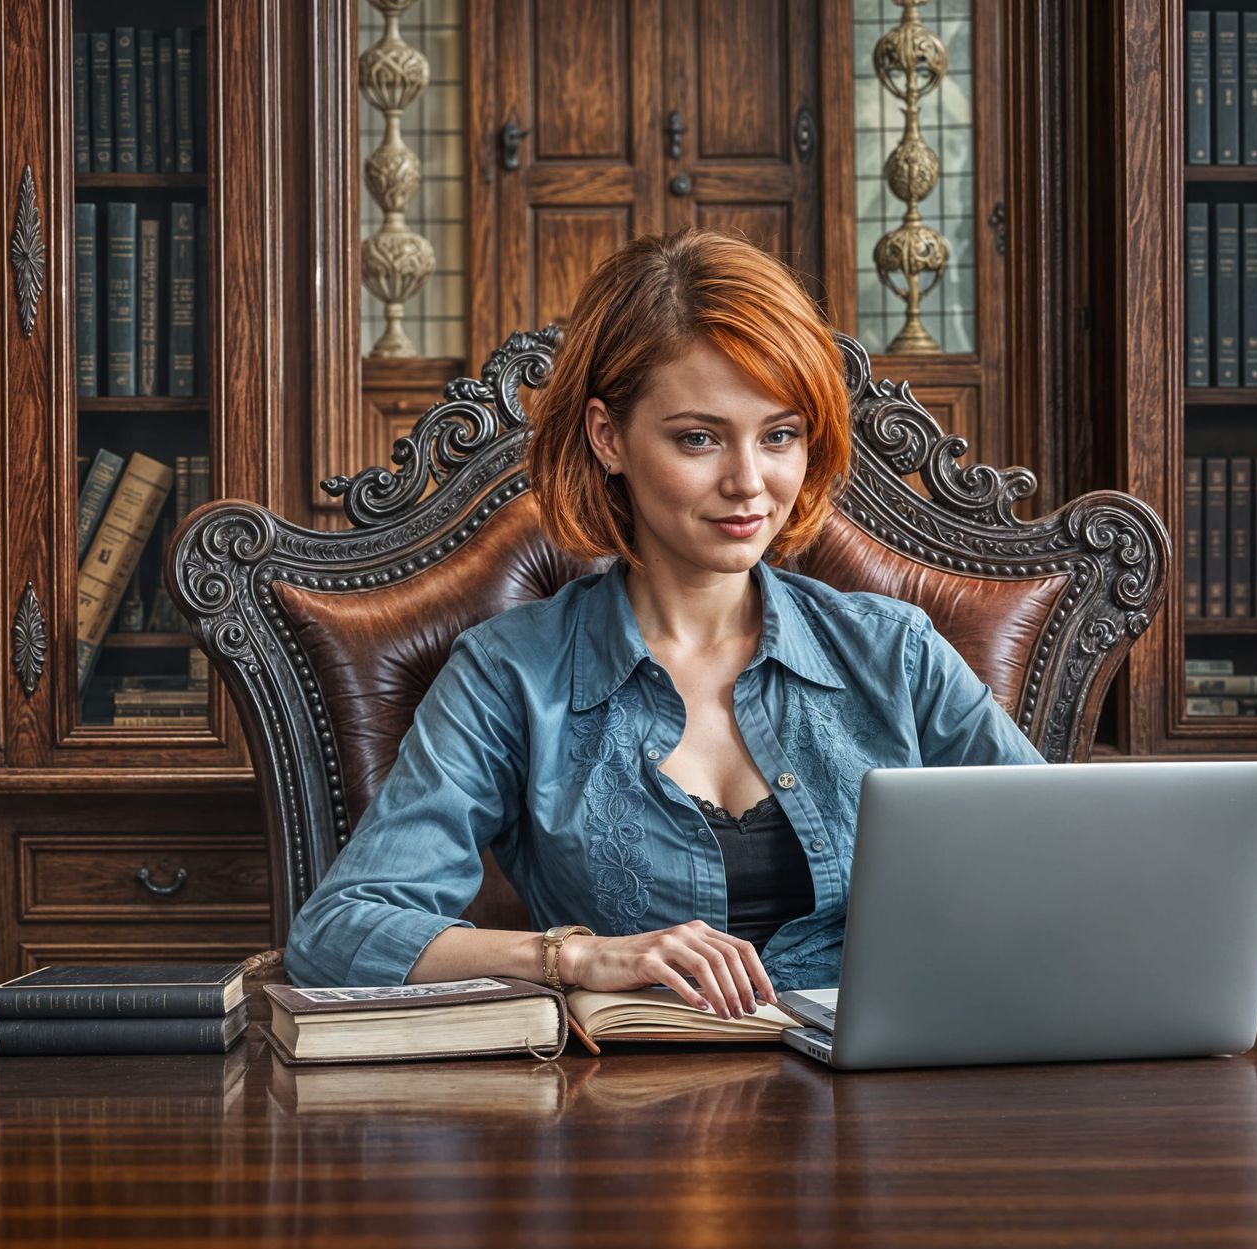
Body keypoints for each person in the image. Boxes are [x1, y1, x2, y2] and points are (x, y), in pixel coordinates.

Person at [282, 227, 1045, 1014]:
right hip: (631, 1110)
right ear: (608, 437)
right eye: (698, 439)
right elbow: (339, 933)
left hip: (886, 1103)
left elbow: (1068, 865)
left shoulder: (895, 653)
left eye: (779, 435)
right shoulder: (511, 673)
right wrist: (580, 957)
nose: (749, 482)